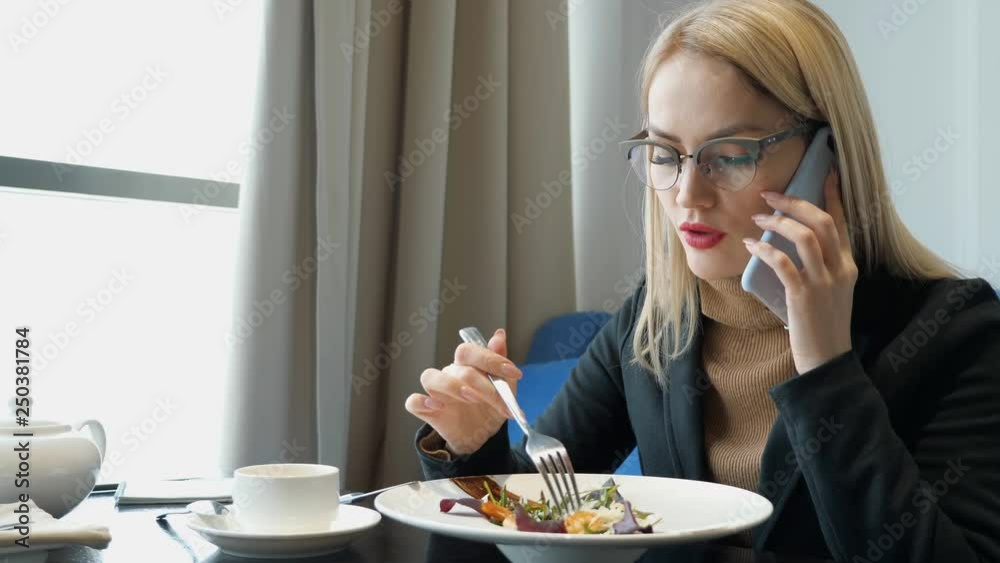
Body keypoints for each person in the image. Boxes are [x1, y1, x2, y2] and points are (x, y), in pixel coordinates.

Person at [403, 0, 1000, 560]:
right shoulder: (652, 325)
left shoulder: (956, 330)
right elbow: (531, 531)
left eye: (731, 154)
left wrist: (826, 368)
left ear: (827, 159)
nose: (688, 194)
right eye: (665, 154)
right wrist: (471, 450)